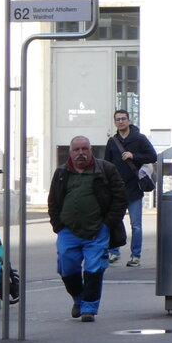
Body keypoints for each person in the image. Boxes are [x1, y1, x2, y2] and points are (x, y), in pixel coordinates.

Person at [47, 136, 128, 322]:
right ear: (70, 152)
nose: (81, 153)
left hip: (97, 230)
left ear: (91, 150)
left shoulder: (106, 169)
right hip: (68, 231)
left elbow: (120, 198)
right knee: (66, 268)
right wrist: (57, 225)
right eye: (77, 149)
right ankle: (78, 298)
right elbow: (53, 201)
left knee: (94, 268)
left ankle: (89, 308)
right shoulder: (61, 172)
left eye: (85, 149)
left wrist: (108, 224)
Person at [104, 109, 157, 266]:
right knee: (114, 222)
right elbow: (107, 163)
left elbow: (153, 156)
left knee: (136, 226)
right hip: (116, 190)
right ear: (115, 122)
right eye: (118, 119)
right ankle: (114, 252)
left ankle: (136, 256)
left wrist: (134, 156)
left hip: (134, 189)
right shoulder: (112, 141)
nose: (120, 121)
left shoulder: (139, 139)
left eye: (123, 119)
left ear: (129, 120)